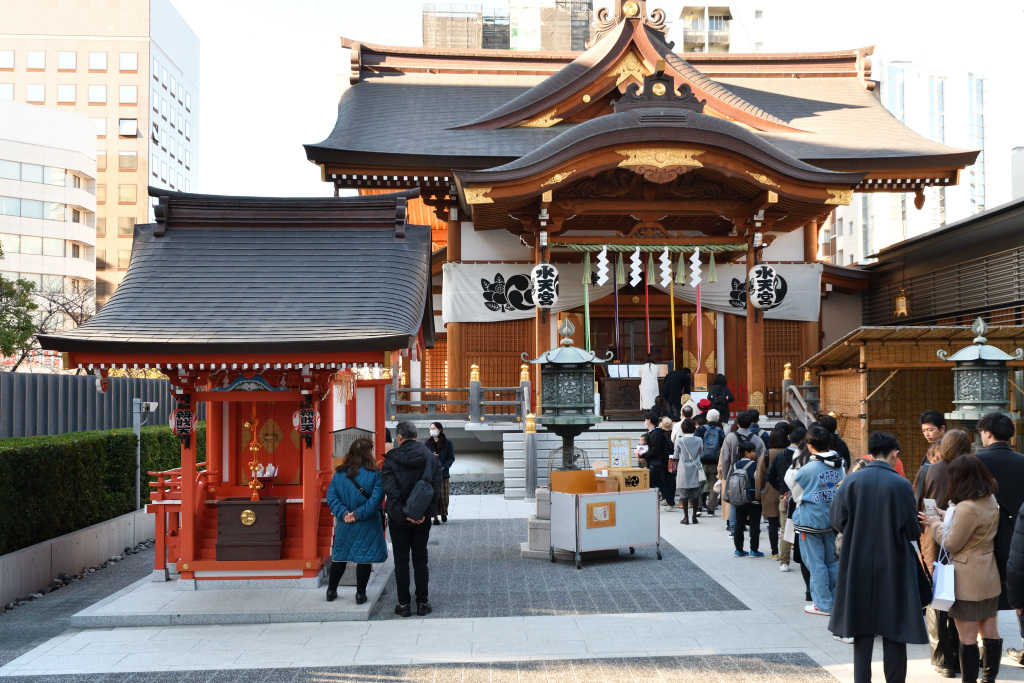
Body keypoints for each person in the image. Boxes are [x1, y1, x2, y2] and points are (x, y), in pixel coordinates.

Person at [830, 432, 927, 683]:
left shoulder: (851, 482)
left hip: (856, 559)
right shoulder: (901, 484)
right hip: (894, 560)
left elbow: (837, 520)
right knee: (895, 626)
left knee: (861, 628)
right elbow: (912, 530)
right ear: (894, 453)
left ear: (870, 453)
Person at [920, 455, 1002, 683]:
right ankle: (989, 678)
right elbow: (973, 526)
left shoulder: (966, 507)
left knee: (967, 637)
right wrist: (944, 515)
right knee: (990, 632)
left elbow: (951, 543)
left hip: (966, 579)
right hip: (988, 575)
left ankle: (969, 681)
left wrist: (934, 523)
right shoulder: (989, 499)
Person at [921, 429, 973, 678]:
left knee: (938, 597)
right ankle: (963, 655)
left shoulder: (931, 469)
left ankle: (943, 659)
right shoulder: (973, 468)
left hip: (935, 540)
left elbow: (917, 504)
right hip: (967, 542)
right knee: (959, 598)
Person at [381, 421, 443, 617]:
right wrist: (424, 514)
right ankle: (423, 603)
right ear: (416, 435)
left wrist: (403, 516)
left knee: (400, 561)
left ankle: (404, 604)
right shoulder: (430, 458)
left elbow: (391, 492)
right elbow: (435, 489)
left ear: (399, 438)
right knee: (420, 560)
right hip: (422, 518)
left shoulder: (390, 460)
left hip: (399, 521)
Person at [786, 425, 845, 616]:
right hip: (832, 518)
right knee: (831, 561)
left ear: (810, 445)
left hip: (810, 520)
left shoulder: (808, 468)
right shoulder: (839, 464)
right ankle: (835, 600)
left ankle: (823, 604)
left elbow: (796, 492)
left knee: (815, 563)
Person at [325, 437, 387, 604]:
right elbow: (376, 500)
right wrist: (357, 514)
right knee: (364, 558)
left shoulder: (339, 474)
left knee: (340, 558)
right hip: (366, 523)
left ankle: (331, 591)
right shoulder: (376, 474)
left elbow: (331, 496)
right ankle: (360, 594)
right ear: (369, 453)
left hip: (345, 523)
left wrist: (344, 513)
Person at [976, 411, 1024, 612]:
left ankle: (986, 640)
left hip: (987, 534)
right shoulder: (1022, 460)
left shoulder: (977, 461)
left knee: (986, 598)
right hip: (1019, 532)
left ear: (987, 433)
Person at [720, 411, 766, 534]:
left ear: (737, 423)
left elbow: (725, 458)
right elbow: (762, 460)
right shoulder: (757, 439)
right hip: (752, 476)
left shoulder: (729, 437)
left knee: (735, 502)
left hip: (733, 473)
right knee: (752, 502)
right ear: (751, 422)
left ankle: (734, 528)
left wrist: (726, 475)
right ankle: (753, 529)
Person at [769, 426, 804, 572]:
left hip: (784, 495)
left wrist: (780, 488)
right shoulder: (806, 456)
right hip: (802, 496)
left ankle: (784, 561)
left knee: (785, 529)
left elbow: (770, 475)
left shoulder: (779, 456)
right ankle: (803, 559)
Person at [730, 441, 763, 557]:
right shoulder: (755, 465)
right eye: (753, 451)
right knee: (754, 525)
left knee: (739, 524)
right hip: (753, 499)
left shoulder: (735, 465)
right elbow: (759, 481)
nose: (755, 454)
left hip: (739, 498)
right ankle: (754, 550)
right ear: (746, 453)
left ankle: (738, 549)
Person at [758, 427, 786, 559]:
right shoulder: (790, 453)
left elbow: (760, 476)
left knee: (773, 523)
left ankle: (774, 552)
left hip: (770, 491)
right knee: (788, 524)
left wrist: (757, 494)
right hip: (787, 491)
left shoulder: (767, 454)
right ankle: (787, 551)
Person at [672, 418, 703, 525]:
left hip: (683, 470)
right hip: (695, 469)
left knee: (684, 495)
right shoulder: (699, 440)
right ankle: (694, 516)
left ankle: (686, 517)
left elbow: (675, 456)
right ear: (694, 428)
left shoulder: (679, 440)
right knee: (695, 494)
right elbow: (701, 453)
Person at [425, 422, 455, 526]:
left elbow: (451, 457)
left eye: (433, 428)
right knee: (433, 496)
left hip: (443, 473)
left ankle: (443, 512)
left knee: (443, 497)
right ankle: (435, 517)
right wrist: (430, 456)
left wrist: (444, 466)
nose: (431, 430)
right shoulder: (427, 443)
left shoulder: (448, 443)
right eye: (430, 428)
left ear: (439, 429)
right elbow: (424, 457)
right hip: (432, 474)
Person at [697, 409, 725, 516]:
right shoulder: (720, 430)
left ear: (707, 418)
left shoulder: (701, 429)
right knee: (714, 486)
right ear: (717, 419)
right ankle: (711, 509)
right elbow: (723, 446)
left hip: (702, 461)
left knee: (699, 485)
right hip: (714, 462)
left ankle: (698, 507)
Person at [644, 411, 674, 509]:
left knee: (650, 482)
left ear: (649, 421)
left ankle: (650, 502)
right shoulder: (654, 432)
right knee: (659, 482)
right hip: (655, 461)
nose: (645, 421)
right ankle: (670, 502)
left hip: (656, 461)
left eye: (646, 419)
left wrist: (643, 455)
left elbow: (654, 451)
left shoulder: (656, 433)